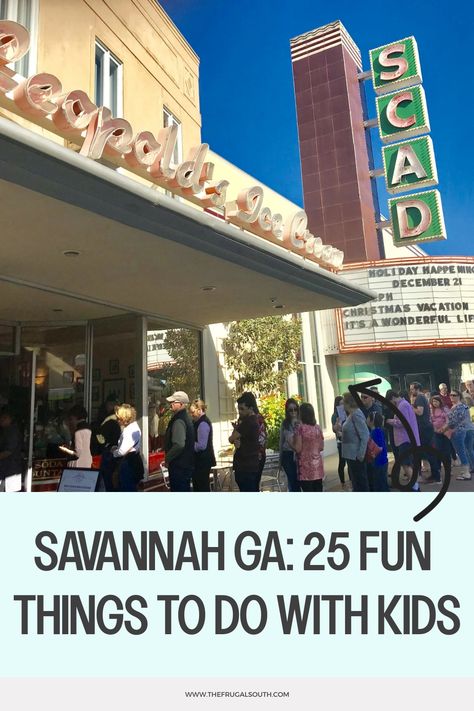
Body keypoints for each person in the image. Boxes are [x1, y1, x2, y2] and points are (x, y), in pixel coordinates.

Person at [385, 390, 420, 489]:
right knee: (407, 463)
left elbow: (402, 422)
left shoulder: (402, 406)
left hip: (405, 439)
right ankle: (414, 484)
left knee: (405, 463)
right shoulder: (404, 404)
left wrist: (389, 421)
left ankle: (415, 485)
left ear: (392, 398)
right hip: (407, 438)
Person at [409, 382, 440, 483]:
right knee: (426, 451)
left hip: (424, 428)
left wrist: (411, 407)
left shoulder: (420, 398)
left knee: (428, 452)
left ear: (417, 389)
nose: (411, 391)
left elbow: (420, 412)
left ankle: (436, 476)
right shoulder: (421, 398)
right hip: (424, 428)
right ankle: (434, 475)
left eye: (412, 389)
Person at [229, 392, 260, 492]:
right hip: (249, 464)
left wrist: (235, 438)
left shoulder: (248, 422)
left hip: (245, 466)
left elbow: (231, 438)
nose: (240, 412)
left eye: (242, 409)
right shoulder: (253, 420)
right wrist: (236, 441)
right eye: (239, 409)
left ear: (250, 408)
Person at [164, 391, 195, 492]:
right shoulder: (186, 418)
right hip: (184, 465)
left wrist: (168, 457)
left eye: (174, 402)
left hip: (179, 467)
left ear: (181, 404)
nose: (171, 404)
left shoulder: (179, 421)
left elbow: (179, 444)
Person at [291, 402, 324, 492]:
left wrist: (290, 442)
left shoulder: (300, 429)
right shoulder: (318, 428)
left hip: (305, 469)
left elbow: (298, 448)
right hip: (318, 468)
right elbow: (321, 447)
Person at [341, 392, 370, 492]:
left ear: (348, 403)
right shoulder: (352, 414)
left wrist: (360, 455)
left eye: (344, 402)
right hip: (351, 455)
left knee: (360, 483)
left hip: (356, 455)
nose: (342, 405)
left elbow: (365, 435)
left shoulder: (356, 414)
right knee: (356, 483)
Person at [112, 404, 143, 491]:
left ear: (124, 418)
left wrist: (114, 451)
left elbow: (122, 451)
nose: (117, 420)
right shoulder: (134, 427)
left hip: (128, 464)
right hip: (133, 461)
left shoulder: (128, 431)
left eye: (119, 418)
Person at [190, 399, 216, 492]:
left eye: (193, 412)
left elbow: (201, 445)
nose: (191, 415)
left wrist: (189, 445)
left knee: (202, 486)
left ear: (199, 410)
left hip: (202, 462)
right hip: (200, 461)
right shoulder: (198, 422)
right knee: (200, 486)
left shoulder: (203, 423)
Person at [448, 390, 474, 481]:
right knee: (468, 449)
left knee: (461, 451)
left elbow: (453, 421)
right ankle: (469, 469)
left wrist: (444, 428)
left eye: (454, 395)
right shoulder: (463, 406)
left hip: (459, 431)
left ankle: (466, 473)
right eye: (450, 395)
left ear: (459, 396)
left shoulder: (458, 407)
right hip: (468, 429)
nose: (451, 397)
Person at [429, 394, 452, 481]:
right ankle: (438, 470)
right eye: (433, 401)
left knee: (446, 452)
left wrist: (443, 428)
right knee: (437, 452)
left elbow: (448, 420)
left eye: (436, 401)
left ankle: (448, 470)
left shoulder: (445, 409)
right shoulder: (431, 411)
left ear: (440, 401)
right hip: (436, 433)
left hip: (445, 433)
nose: (435, 403)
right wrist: (435, 429)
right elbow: (430, 421)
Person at [279, 398, 300, 492]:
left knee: (299, 480)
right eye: (290, 410)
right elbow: (281, 441)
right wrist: (280, 460)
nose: (293, 412)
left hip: (299, 454)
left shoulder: (300, 422)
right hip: (287, 454)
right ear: (287, 411)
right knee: (292, 480)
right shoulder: (285, 423)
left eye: (295, 409)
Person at [0, 408, 23, 492]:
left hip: (11, 469)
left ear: (9, 418)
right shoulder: (5, 430)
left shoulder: (12, 431)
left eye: (4, 418)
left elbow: (8, 451)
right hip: (5, 469)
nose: (1, 420)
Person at [367, 412, 389, 491]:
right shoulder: (379, 431)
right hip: (382, 461)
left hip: (379, 463)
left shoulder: (375, 432)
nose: (367, 419)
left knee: (380, 486)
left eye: (368, 418)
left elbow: (379, 448)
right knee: (383, 484)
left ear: (372, 421)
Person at [331, 396, 348, 489]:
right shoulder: (335, 415)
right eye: (341, 404)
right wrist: (337, 424)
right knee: (342, 462)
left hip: (348, 440)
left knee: (350, 461)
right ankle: (342, 482)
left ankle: (351, 481)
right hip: (341, 441)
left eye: (343, 403)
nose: (343, 406)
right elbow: (334, 429)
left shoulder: (347, 413)